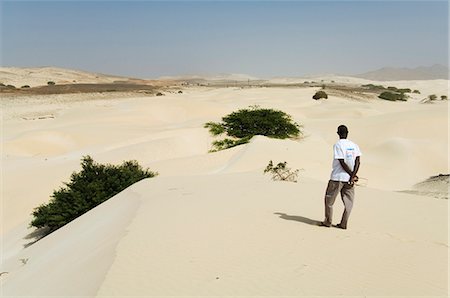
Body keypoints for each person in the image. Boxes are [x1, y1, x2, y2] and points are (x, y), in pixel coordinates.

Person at [320, 125, 361, 229]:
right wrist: (353, 175)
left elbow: (341, 161)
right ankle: (343, 224)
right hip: (349, 180)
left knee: (329, 201)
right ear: (347, 133)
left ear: (338, 133)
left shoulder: (338, 144)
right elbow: (358, 161)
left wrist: (351, 175)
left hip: (337, 177)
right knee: (349, 203)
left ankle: (328, 222)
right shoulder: (354, 145)